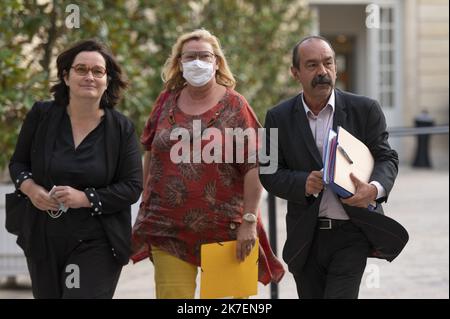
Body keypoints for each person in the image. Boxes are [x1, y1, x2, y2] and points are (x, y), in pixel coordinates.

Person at [131, 29, 284, 299]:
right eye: (190, 57)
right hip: (167, 228)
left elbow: (254, 165)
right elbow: (150, 151)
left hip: (227, 230)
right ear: (179, 63)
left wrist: (248, 221)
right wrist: (145, 203)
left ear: (217, 62)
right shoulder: (165, 101)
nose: (198, 62)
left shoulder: (236, 105)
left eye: (205, 56)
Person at [259, 35, 408, 299]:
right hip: (306, 236)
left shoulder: (365, 109)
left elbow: (386, 157)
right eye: (312, 65)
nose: (322, 72)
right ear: (295, 72)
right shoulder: (277, 117)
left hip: (352, 232)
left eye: (328, 63)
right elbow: (269, 172)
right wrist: (302, 182)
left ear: (336, 68)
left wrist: (373, 189)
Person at [8, 39, 143, 298]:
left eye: (97, 71)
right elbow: (18, 164)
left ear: (107, 80)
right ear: (66, 76)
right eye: (81, 69)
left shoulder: (121, 128)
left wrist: (85, 198)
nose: (89, 76)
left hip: (98, 239)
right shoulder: (41, 115)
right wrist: (31, 189)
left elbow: (132, 186)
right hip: (43, 237)